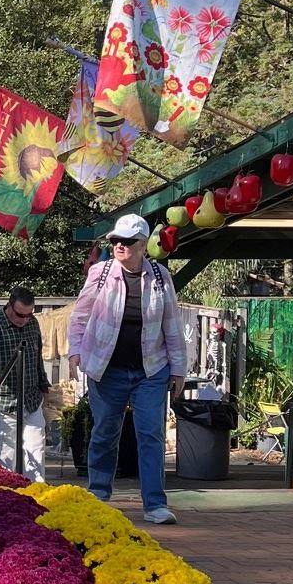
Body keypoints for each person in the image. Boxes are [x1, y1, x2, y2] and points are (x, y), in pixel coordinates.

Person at [67, 213, 187, 527]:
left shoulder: (160, 277)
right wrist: (75, 352)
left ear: (143, 244)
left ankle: (155, 505)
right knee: (105, 432)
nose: (120, 246)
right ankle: (98, 495)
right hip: (106, 370)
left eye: (127, 241)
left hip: (151, 369)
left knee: (151, 435)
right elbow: (79, 316)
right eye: (116, 241)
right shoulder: (101, 272)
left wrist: (178, 370)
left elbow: (173, 326)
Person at [0, 285, 50, 481]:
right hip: (0, 403)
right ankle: (6, 502)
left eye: (28, 315)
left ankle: (37, 500)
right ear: (9, 306)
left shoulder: (33, 323)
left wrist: (43, 384)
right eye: (19, 315)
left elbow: (36, 355)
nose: (24, 320)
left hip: (30, 399)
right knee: (6, 461)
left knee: (36, 453)